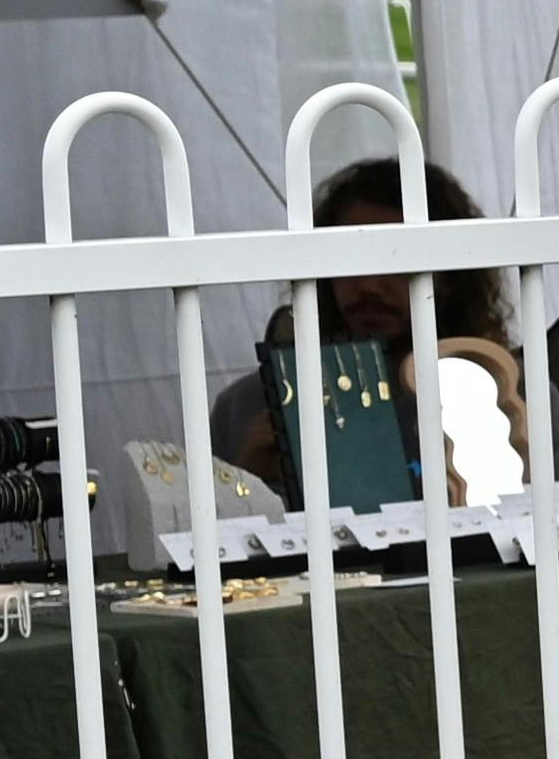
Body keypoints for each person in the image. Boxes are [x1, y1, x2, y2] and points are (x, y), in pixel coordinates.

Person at [213, 160, 514, 512]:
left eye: (394, 258)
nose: (369, 285)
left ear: (449, 275)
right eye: (350, 258)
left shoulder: (511, 396)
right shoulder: (247, 407)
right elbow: (206, 549)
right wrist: (246, 484)